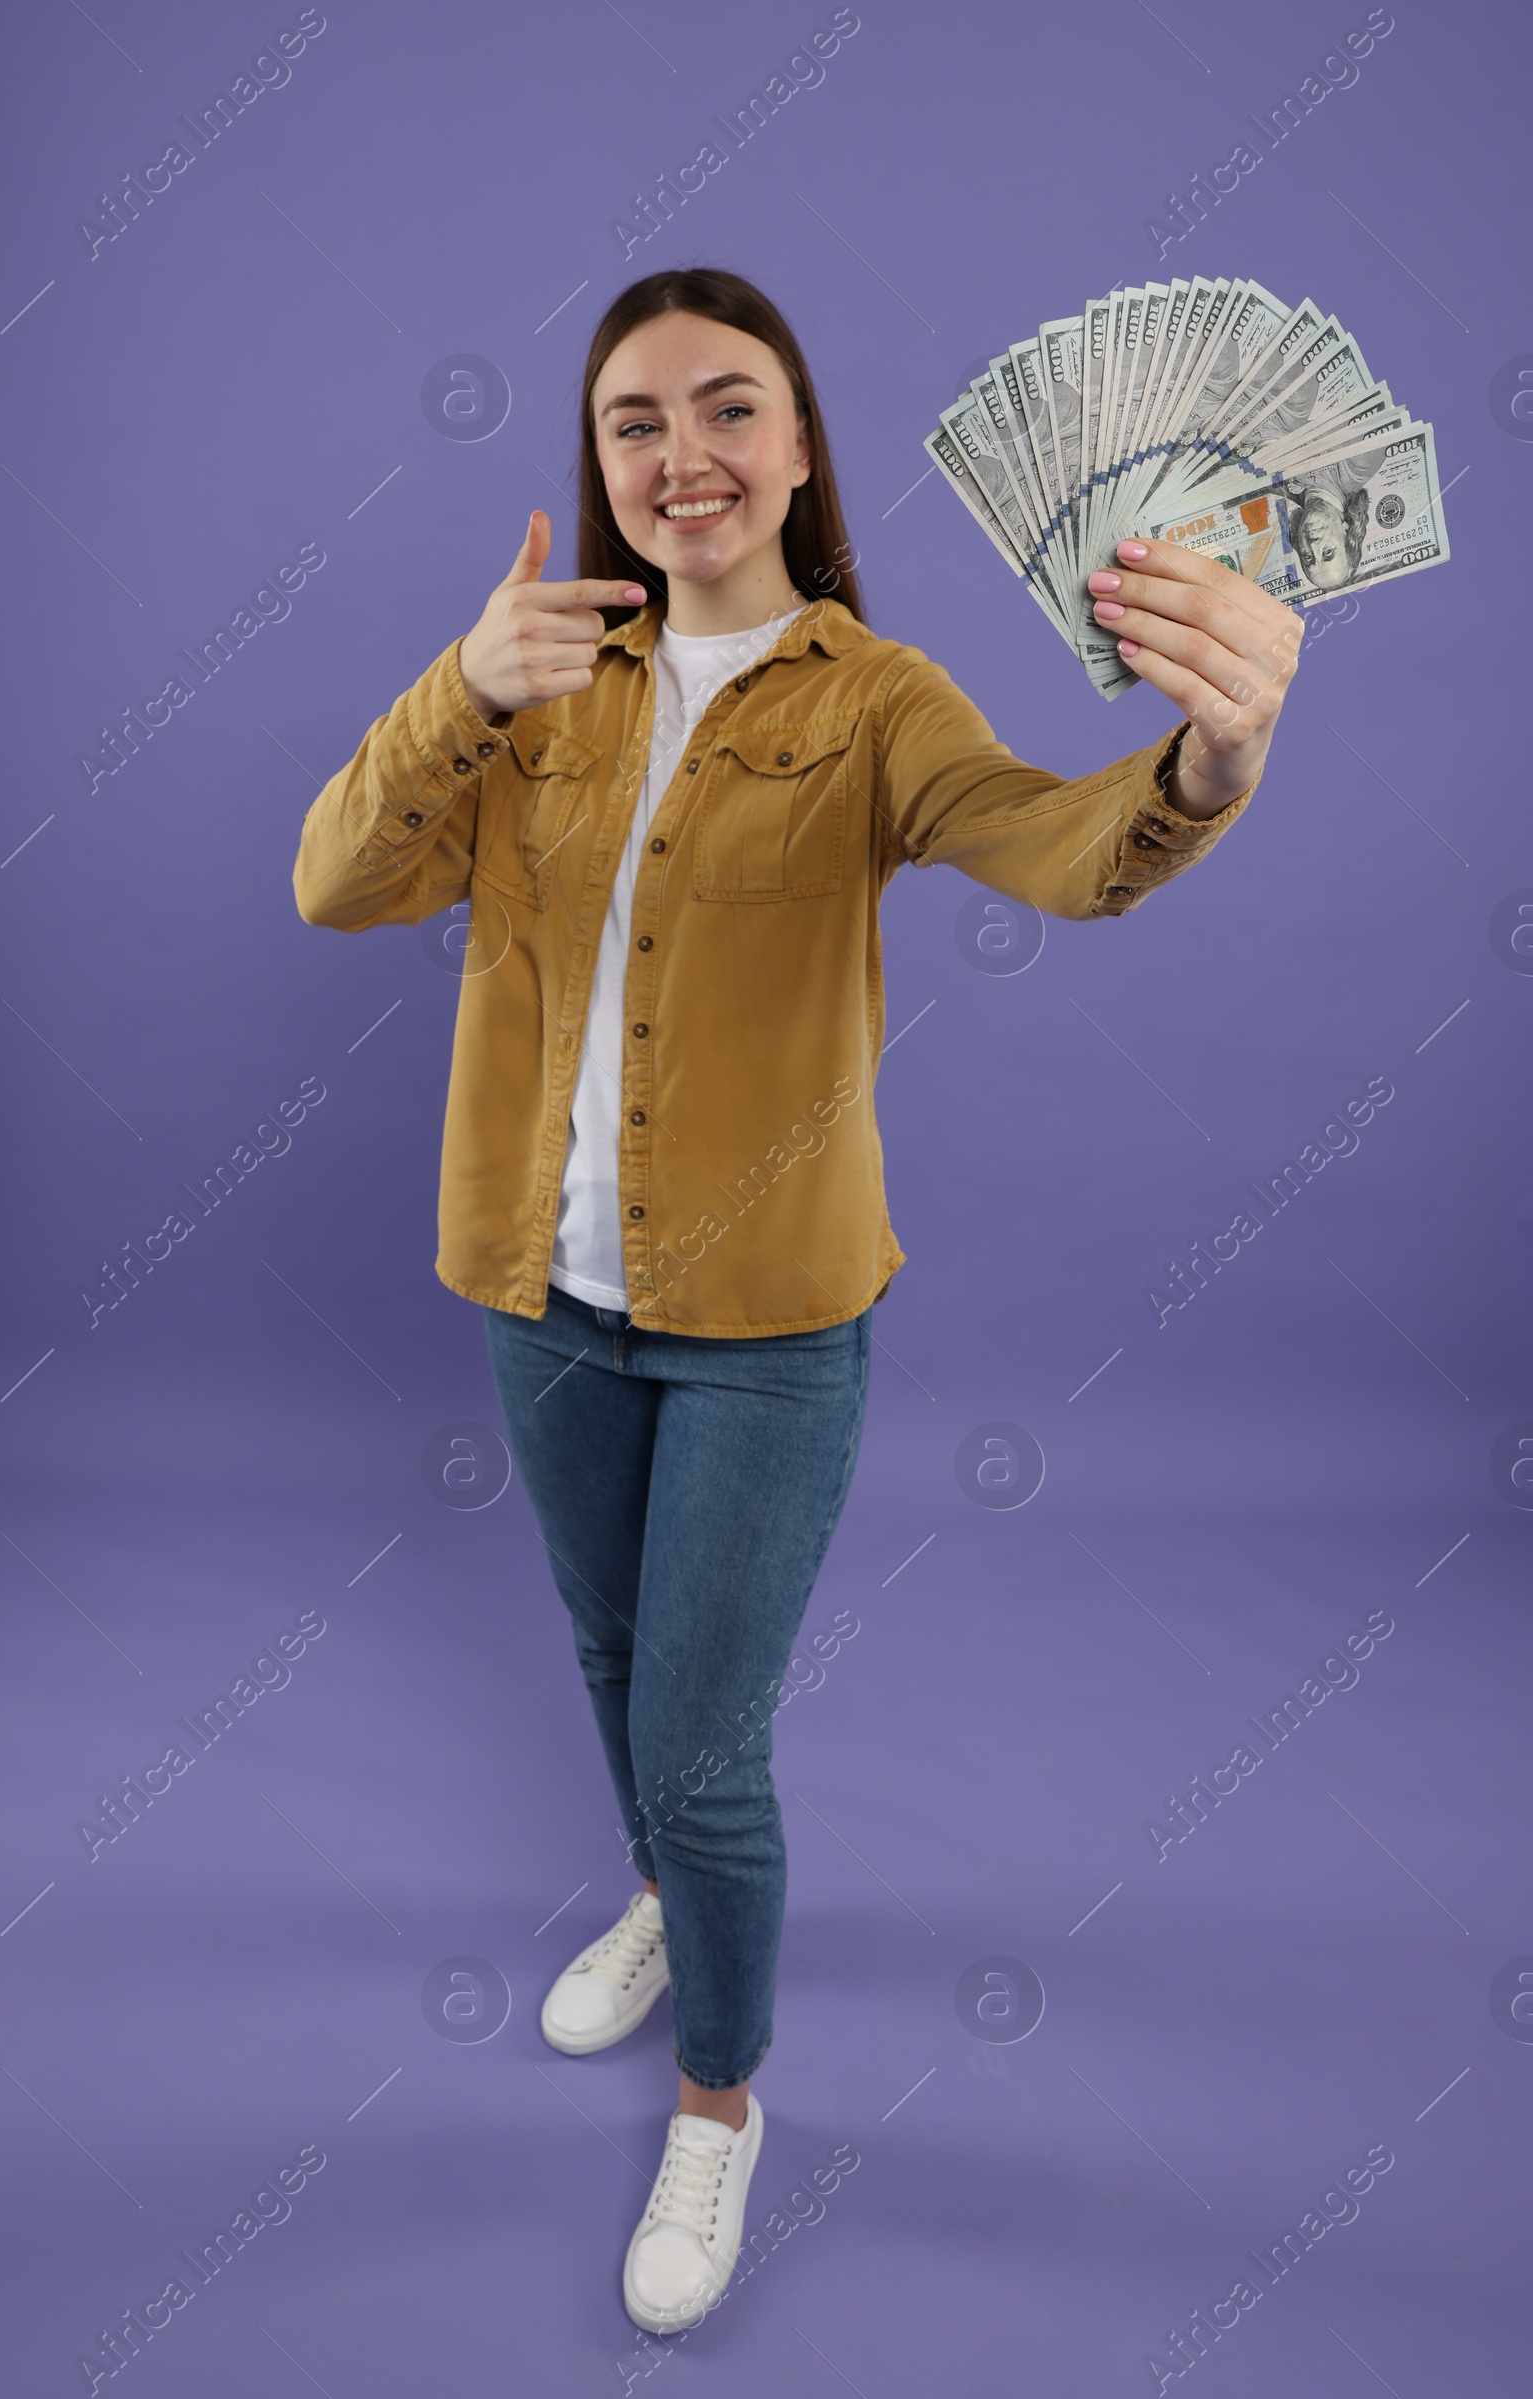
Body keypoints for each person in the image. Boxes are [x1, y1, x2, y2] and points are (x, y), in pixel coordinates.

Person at [291, 265, 1301, 2334]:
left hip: (768, 1320)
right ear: (597, 462)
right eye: (635, 421)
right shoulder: (532, 674)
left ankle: (721, 2111)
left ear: (799, 443)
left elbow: (1051, 844)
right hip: (531, 1289)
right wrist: (456, 694)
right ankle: (661, 1901)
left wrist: (1203, 769)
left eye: (725, 409)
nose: (681, 455)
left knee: (700, 1736)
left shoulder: (872, 700)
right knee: (600, 1647)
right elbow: (337, 879)